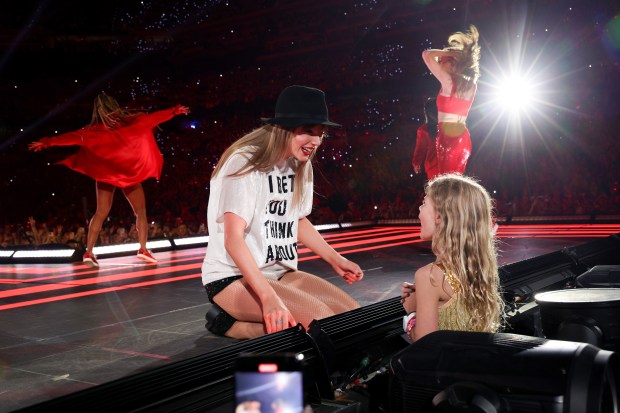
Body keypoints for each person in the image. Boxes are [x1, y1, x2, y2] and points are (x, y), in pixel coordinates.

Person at [201, 85, 364, 339]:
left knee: (352, 316)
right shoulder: (245, 161)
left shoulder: (300, 163)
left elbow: (295, 220)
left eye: (321, 134)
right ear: (284, 128)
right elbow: (233, 240)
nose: (316, 141)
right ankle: (227, 323)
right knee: (317, 324)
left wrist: (335, 259)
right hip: (232, 277)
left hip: (280, 271)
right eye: (309, 131)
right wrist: (268, 298)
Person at [29, 93, 190, 267]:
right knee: (140, 211)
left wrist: (47, 142)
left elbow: (69, 138)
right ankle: (143, 249)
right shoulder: (133, 122)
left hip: (105, 174)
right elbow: (154, 118)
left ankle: (89, 252)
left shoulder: (91, 131)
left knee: (100, 213)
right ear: (113, 105)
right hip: (128, 174)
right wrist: (174, 111)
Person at [400, 174, 505, 341]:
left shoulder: (429, 276)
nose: (419, 210)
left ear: (440, 216)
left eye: (424, 204)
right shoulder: (478, 269)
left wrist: (413, 312)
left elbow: (426, 348)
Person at [422, 24, 480, 175]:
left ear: (453, 64)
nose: (439, 62)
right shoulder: (471, 84)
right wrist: (450, 55)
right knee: (454, 183)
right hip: (462, 136)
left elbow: (426, 55)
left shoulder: (448, 82)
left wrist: (452, 53)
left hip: (448, 137)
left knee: (447, 185)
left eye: (443, 60)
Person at [411, 97, 439, 180]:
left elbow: (420, 148)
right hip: (448, 164)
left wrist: (416, 163)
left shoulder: (424, 130)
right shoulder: (448, 126)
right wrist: (416, 163)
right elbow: (420, 148)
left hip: (434, 165)